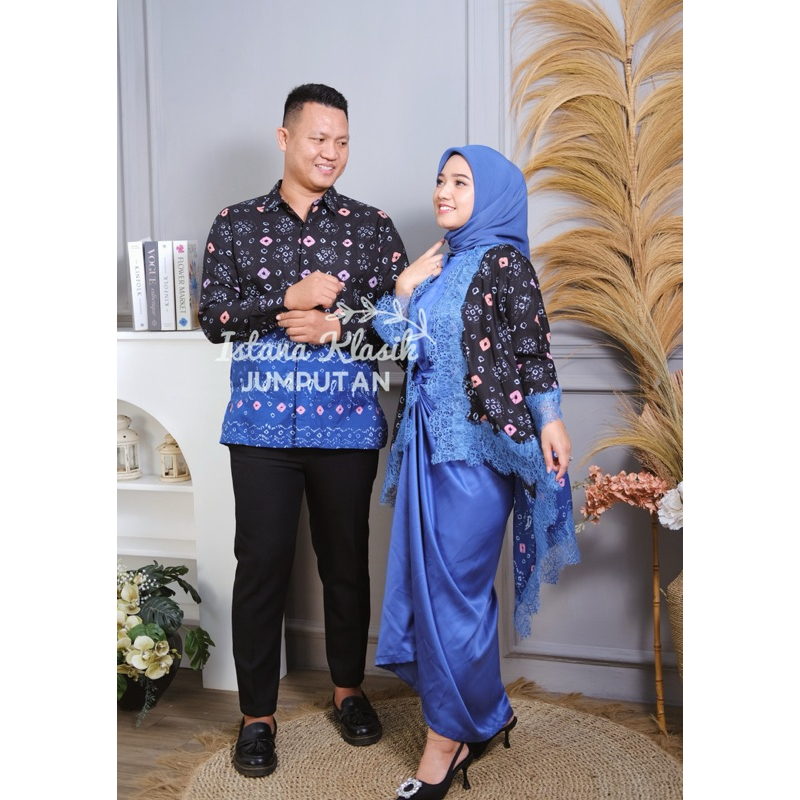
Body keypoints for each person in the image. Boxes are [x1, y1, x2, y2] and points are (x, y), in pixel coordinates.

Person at [199, 83, 409, 778]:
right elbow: (214, 319)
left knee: (345, 564)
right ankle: (256, 717)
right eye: (319, 138)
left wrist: (337, 326)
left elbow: (402, 334)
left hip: (346, 428)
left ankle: (349, 691)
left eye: (342, 141)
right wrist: (282, 300)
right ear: (285, 137)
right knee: (260, 567)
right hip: (259, 428)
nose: (331, 152)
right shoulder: (234, 223)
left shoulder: (372, 226)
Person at [372, 145, 580, 799]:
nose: (444, 191)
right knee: (432, 589)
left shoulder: (503, 262)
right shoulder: (439, 264)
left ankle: (446, 740)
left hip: (477, 455)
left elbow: (531, 349)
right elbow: (395, 344)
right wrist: (402, 288)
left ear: (490, 195)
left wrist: (550, 419)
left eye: (460, 182)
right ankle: (486, 713)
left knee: (454, 595)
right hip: (424, 449)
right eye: (440, 179)